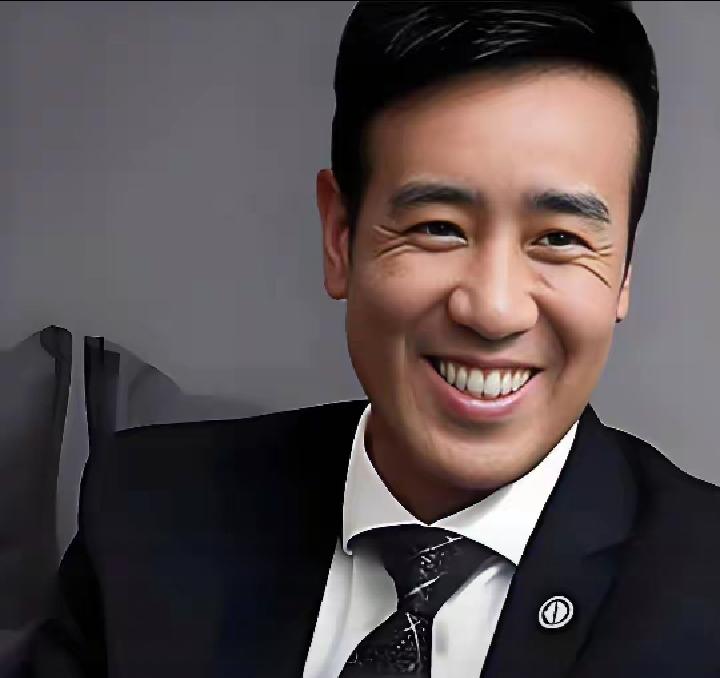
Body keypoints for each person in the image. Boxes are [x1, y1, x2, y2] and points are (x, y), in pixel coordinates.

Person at [26, 2, 720, 677]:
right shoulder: (147, 512)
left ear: (624, 270)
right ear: (340, 237)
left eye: (560, 239)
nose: (494, 310)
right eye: (439, 227)